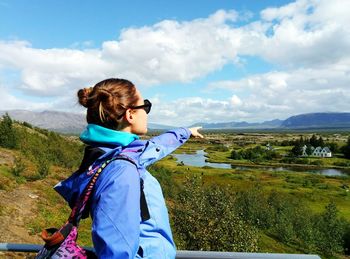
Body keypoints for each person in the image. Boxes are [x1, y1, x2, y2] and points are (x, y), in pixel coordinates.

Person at [54, 78, 203, 259]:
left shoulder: (110, 154)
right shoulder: (122, 171)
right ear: (130, 115)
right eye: (145, 106)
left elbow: (153, 147)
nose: (147, 112)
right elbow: (116, 252)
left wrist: (185, 132)